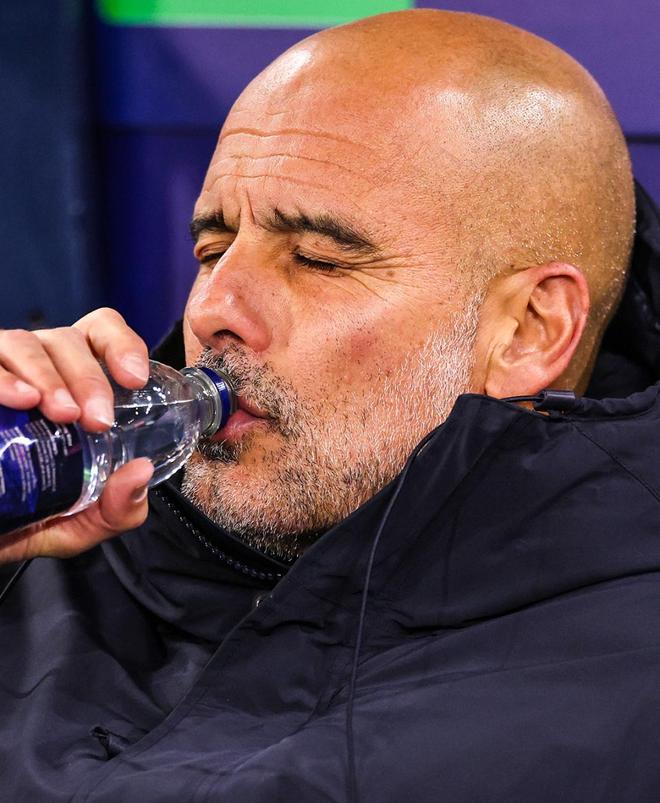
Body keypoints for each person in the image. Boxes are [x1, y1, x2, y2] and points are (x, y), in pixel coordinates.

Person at [1, 8, 659, 801]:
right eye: (213, 249)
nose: (211, 309)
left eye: (316, 259)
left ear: (527, 331)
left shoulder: (610, 711)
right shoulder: (60, 531)